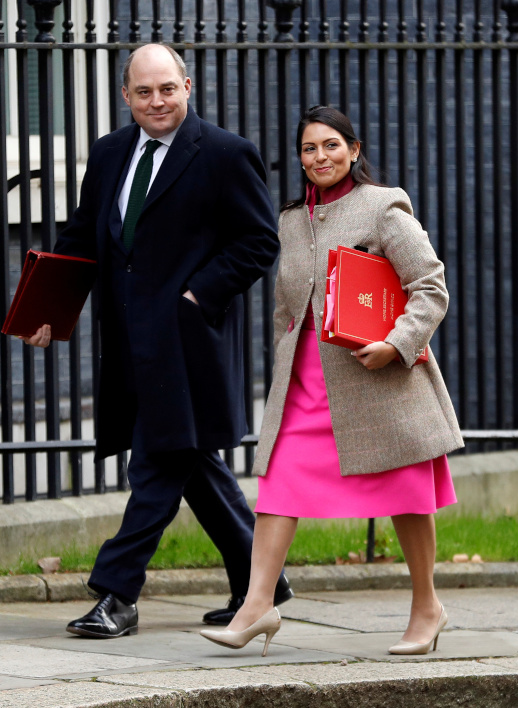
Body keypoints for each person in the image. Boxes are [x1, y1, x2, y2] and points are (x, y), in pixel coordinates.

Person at [22, 44, 292, 638]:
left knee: (157, 464)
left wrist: (197, 296)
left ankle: (118, 593)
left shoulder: (224, 154)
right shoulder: (111, 152)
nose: (157, 101)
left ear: (187, 86)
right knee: (191, 458)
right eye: (144, 92)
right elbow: (82, 236)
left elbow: (257, 241)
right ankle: (261, 582)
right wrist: (46, 306)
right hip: (125, 343)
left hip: (183, 344)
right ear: (126, 97)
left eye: (167, 88)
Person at [200, 106, 464, 658]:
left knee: (408, 494)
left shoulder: (383, 207)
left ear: (354, 149)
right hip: (305, 385)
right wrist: (282, 361)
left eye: (330, 146)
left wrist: (397, 343)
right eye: (308, 149)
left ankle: (427, 607)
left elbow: (431, 286)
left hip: (380, 380)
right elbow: (284, 307)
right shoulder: (291, 221)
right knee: (277, 486)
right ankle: (256, 606)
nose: (319, 157)